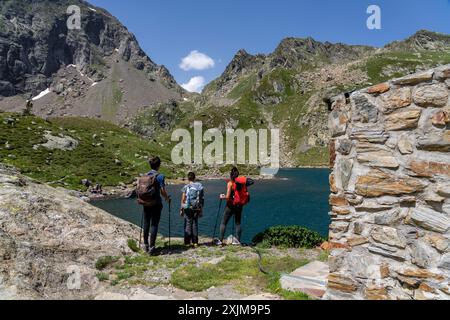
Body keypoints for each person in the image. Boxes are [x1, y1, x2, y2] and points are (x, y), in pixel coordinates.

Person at [137, 157, 171, 255]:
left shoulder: (146, 175)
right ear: (158, 165)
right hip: (156, 203)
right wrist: (167, 198)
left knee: (146, 223)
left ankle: (146, 245)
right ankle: (152, 247)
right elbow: (162, 191)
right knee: (154, 224)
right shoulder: (160, 176)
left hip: (146, 202)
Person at [219, 167, 253, 245]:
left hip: (230, 206)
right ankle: (237, 240)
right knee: (238, 223)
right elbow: (250, 182)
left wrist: (222, 196)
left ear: (231, 175)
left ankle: (220, 241)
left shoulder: (230, 183)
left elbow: (227, 197)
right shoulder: (241, 183)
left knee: (223, 223)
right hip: (239, 205)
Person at [180, 172, 204, 247]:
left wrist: (181, 209)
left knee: (188, 223)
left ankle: (187, 242)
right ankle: (195, 242)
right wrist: (201, 209)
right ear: (194, 178)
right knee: (195, 223)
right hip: (196, 207)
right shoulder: (199, 186)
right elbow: (201, 198)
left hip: (187, 207)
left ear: (188, 178)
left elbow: (183, 199)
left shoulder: (186, 186)